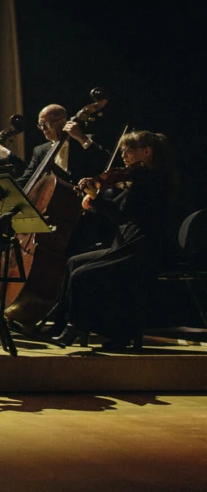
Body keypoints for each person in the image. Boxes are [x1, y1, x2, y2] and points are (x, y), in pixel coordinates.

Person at [50, 130, 175, 350]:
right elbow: (118, 205)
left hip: (142, 247)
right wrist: (94, 197)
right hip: (127, 242)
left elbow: (121, 214)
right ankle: (60, 320)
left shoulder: (155, 179)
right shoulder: (138, 178)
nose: (123, 155)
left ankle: (78, 326)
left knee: (82, 275)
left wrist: (96, 198)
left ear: (147, 151)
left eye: (129, 150)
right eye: (123, 150)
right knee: (74, 262)